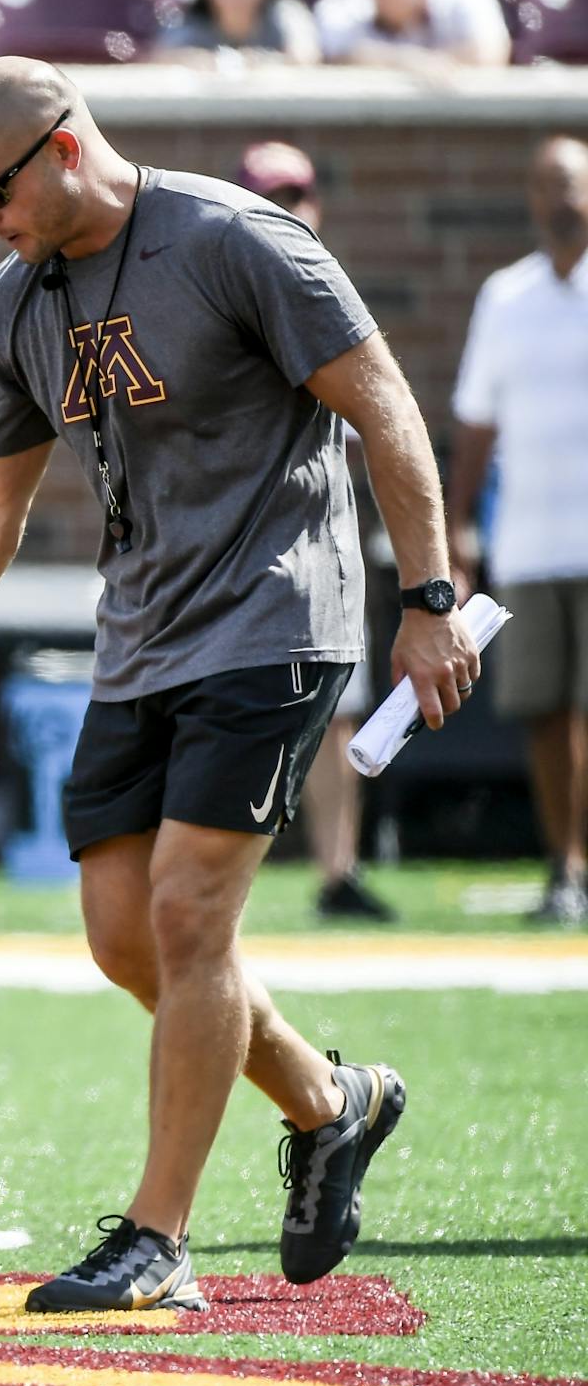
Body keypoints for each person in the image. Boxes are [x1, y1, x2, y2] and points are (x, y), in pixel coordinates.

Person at [0, 58, 476, 1312]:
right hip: (144, 641)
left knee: (187, 912)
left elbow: (385, 408)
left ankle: (155, 1242)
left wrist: (428, 601)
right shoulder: (16, 301)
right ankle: (335, 1106)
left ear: (61, 148)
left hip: (279, 621)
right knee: (124, 936)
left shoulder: (236, 241)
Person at [235, 142, 394, 923]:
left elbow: (377, 416)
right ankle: (233, 870)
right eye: (273, 194)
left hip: (327, 531)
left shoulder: (333, 290)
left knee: (341, 711)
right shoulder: (231, 288)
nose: (291, 208)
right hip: (249, 539)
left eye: (298, 193)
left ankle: (340, 869)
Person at [448, 136, 588, 927]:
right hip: (531, 543)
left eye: (572, 183)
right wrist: (461, 526)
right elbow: (475, 423)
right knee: (546, 711)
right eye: (546, 185)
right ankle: (564, 866)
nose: (561, 199)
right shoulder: (505, 297)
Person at [315, 0, 511, 71]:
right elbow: (333, 58)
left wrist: (383, 60)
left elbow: (490, 55)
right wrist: (405, 60)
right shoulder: (342, 4)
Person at [154, 0, 320, 69]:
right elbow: (159, 59)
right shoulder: (192, 19)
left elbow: (307, 57)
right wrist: (202, 61)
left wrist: (257, 61)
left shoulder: (285, 12)